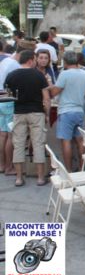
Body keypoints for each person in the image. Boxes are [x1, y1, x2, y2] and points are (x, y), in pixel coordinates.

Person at [5, 50, 49, 186]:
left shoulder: (11, 76)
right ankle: (40, 177)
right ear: (30, 60)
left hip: (19, 112)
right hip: (36, 112)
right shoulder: (39, 75)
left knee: (18, 144)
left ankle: (19, 178)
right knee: (38, 144)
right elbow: (46, 98)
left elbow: (9, 94)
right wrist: (46, 114)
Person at [48, 51, 85, 172]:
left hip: (66, 111)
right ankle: (82, 167)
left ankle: (68, 170)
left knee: (66, 141)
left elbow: (54, 92)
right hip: (79, 110)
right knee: (80, 140)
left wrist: (50, 85)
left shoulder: (64, 74)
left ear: (65, 62)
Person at [0, 40, 33, 176]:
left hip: (1, 99)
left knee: (2, 136)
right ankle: (9, 167)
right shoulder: (15, 65)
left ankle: (2, 165)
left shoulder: (6, 61)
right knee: (10, 136)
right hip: (9, 100)